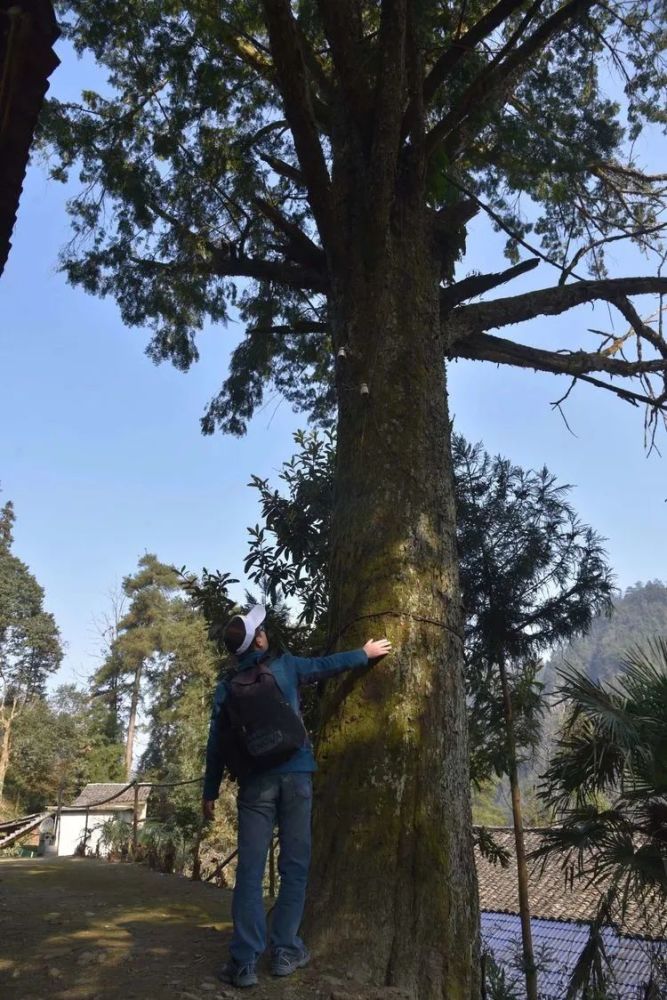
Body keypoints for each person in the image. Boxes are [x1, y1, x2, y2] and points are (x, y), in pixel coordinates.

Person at [202, 604, 391, 988]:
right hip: (297, 776)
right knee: (295, 868)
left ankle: (243, 962)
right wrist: (365, 654)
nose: (266, 632)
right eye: (263, 630)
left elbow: (216, 746)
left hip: (256, 785)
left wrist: (209, 792)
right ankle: (286, 950)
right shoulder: (285, 667)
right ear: (259, 639)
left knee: (251, 873)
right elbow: (325, 666)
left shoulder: (227, 688)